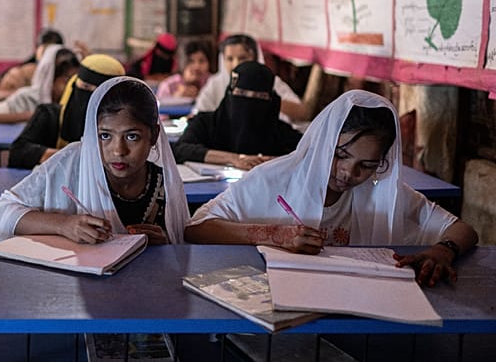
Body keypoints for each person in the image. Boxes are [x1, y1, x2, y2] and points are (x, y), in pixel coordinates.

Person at [184, 90, 478, 287]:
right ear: (323, 143)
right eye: (340, 155)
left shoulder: (381, 192)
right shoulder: (273, 180)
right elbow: (196, 228)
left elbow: (463, 230)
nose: (349, 173)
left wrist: (444, 250)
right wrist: (272, 234)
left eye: (368, 164)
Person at [0, 76, 190, 245]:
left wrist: (165, 243)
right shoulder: (72, 163)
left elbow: (182, 248)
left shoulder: (165, 183)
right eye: (104, 136)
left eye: (132, 136)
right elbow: (3, 212)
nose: (118, 151)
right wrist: (63, 225)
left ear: (154, 135)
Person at [172, 61, 301, 170]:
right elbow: (181, 150)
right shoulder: (205, 123)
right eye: (241, 93)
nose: (248, 102)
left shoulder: (279, 132)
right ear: (229, 93)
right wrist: (233, 159)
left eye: (259, 96)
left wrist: (273, 162)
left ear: (271, 101)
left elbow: (309, 152)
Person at [8, 54, 125, 169]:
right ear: (74, 86)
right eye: (85, 88)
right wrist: (68, 157)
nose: (91, 98)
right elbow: (18, 152)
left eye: (99, 93)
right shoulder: (50, 115)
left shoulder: (124, 128)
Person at [194, 34, 307, 123]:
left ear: (255, 58)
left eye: (242, 58)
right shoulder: (215, 84)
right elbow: (199, 113)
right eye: (229, 59)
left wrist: (266, 100)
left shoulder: (270, 82)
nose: (236, 64)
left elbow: (302, 113)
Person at [0, 45, 79, 127]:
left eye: (75, 81)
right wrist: (31, 116)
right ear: (50, 80)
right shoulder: (28, 97)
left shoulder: (76, 100)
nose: (71, 86)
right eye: (67, 81)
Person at [0, 28, 65, 104]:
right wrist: (28, 94)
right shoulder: (24, 72)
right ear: (37, 51)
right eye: (45, 51)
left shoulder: (66, 73)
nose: (49, 56)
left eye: (53, 51)